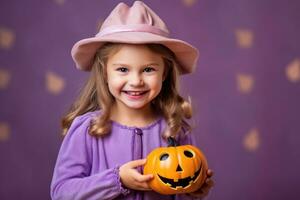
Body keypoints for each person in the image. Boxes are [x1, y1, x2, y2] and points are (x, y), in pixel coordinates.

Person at [50, 1, 214, 200]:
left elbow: (182, 182)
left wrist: (194, 191)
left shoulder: (175, 128)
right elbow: (62, 193)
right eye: (123, 69)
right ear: (104, 73)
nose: (136, 81)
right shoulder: (87, 129)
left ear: (164, 73)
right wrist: (117, 180)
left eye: (148, 69)